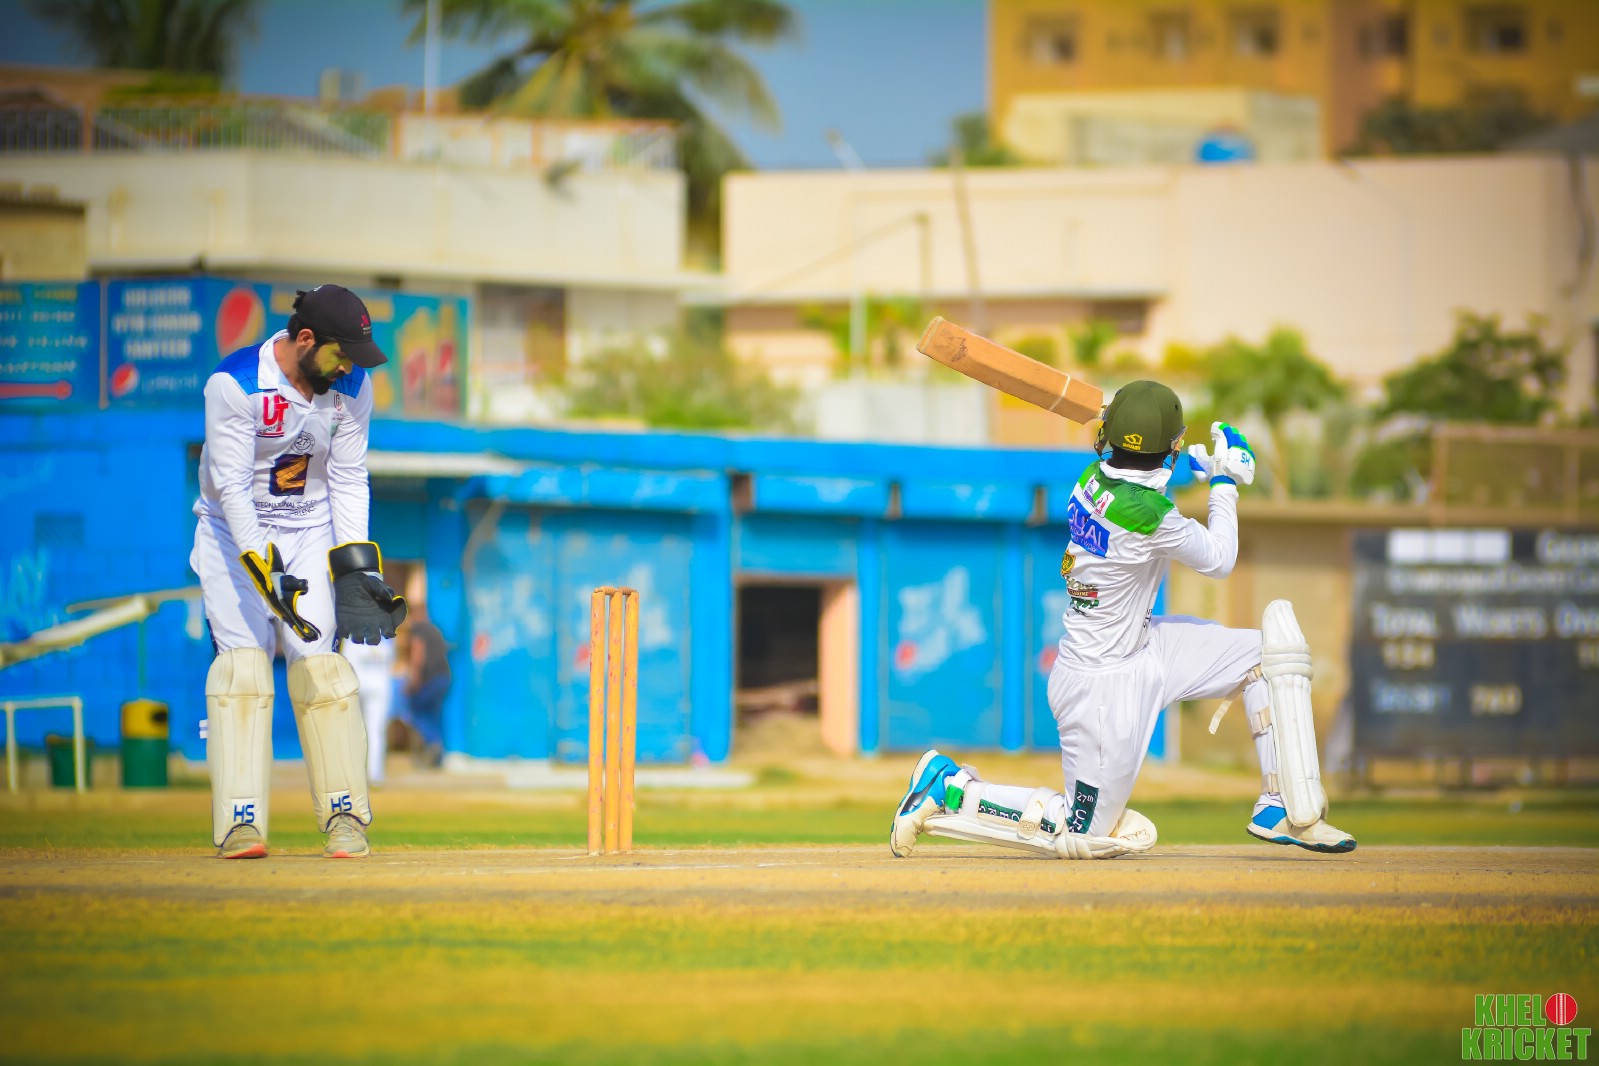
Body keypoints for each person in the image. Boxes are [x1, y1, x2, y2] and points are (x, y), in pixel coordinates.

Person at [890, 380, 1356, 860]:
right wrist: (1224, 484)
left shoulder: (1091, 478)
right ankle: (950, 788)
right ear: (1168, 449)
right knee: (1083, 833)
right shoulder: (1150, 516)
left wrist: (1190, 465)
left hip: (1146, 646)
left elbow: (1138, 479)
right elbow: (1220, 559)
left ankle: (1279, 804)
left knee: (1266, 657)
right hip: (1100, 688)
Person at [191, 285, 407, 860]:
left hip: (309, 528)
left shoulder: (352, 387)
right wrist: (263, 569)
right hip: (231, 533)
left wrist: (356, 569)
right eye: (342, 354)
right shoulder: (235, 385)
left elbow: (348, 478)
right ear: (305, 339)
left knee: (323, 672)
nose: (350, 368)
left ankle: (344, 817)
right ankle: (240, 824)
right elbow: (231, 489)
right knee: (241, 674)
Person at [343, 636, 399, 785]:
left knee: (356, 731)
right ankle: (374, 774)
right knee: (375, 731)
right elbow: (391, 662)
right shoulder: (386, 636)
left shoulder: (352, 635)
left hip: (359, 686)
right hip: (378, 687)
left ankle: (357, 774)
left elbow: (345, 663)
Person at [401, 612, 451, 767]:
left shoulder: (418, 628)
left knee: (415, 711)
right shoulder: (434, 628)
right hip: (444, 677)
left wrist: (414, 679)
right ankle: (437, 752)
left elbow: (418, 651)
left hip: (430, 679)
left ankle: (432, 743)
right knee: (433, 715)